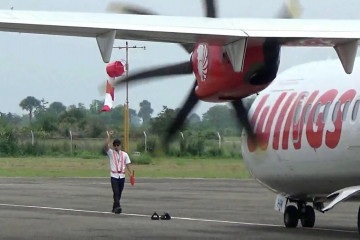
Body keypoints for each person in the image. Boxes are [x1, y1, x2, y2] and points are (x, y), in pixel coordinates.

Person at [104, 130, 133, 214]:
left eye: (118, 145)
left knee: (119, 193)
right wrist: (109, 136)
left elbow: (127, 164)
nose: (117, 146)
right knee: (116, 192)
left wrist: (130, 173)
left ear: (120, 146)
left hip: (122, 176)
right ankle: (118, 207)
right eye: (115, 145)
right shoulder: (110, 153)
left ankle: (114, 207)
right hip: (114, 176)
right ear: (113, 146)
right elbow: (106, 145)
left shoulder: (124, 154)